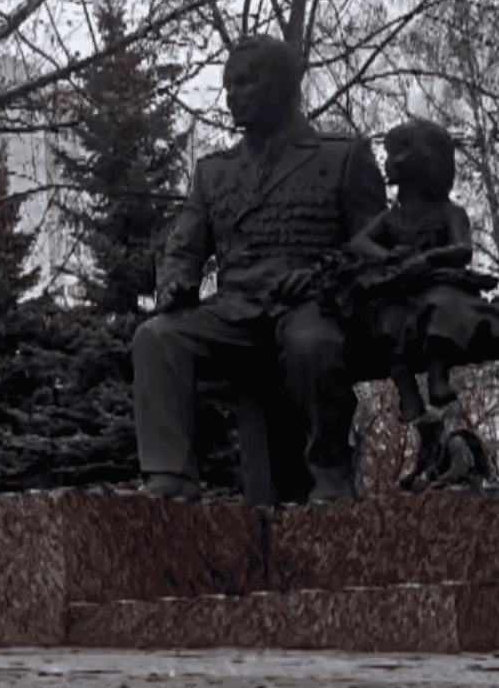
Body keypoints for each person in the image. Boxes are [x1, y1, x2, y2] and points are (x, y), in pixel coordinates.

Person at [131, 34, 386, 504]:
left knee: (312, 345)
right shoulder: (213, 172)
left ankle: (329, 470)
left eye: (247, 83)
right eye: (229, 85)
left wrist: (324, 276)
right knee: (157, 337)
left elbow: (377, 250)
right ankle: (171, 476)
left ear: (284, 86)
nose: (233, 95)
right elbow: (183, 250)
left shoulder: (341, 156)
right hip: (236, 311)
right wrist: (175, 284)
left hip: (310, 302)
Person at [342, 119, 499, 485]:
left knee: (439, 309)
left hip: (440, 287)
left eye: (396, 153)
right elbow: (359, 244)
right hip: (401, 293)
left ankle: (439, 377)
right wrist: (389, 258)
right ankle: (410, 398)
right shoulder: (392, 218)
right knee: (383, 319)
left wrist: (428, 260)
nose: (387, 161)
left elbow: (463, 249)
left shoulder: (448, 211)